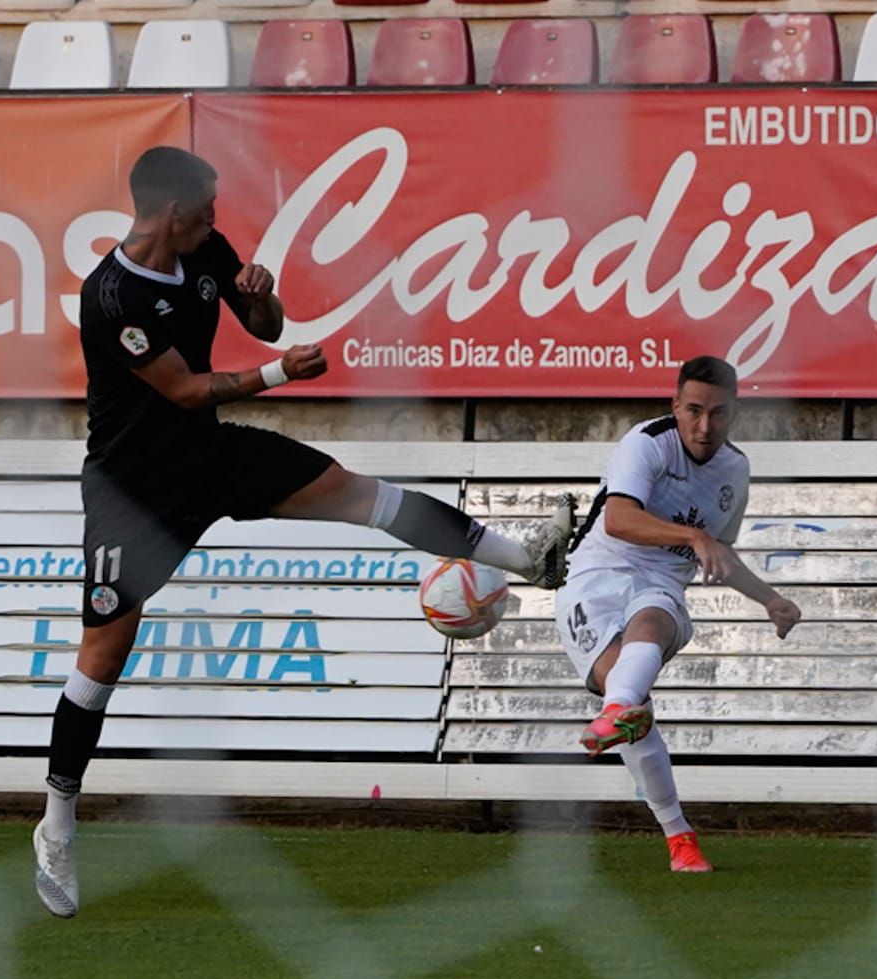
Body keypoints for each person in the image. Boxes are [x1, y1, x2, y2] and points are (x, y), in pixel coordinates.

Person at [34, 146, 573, 918]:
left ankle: (528, 559)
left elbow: (264, 322)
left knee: (360, 495)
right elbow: (185, 388)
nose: (220, 224)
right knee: (102, 658)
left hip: (212, 457)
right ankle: (56, 826)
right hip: (132, 490)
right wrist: (281, 372)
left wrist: (260, 299)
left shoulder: (206, 249)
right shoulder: (111, 294)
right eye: (209, 211)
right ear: (173, 213)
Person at [555, 356, 801, 873]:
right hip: (595, 575)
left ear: (735, 414)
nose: (704, 426)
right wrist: (692, 534)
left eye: (718, 414)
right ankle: (677, 834)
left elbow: (718, 558)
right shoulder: (647, 443)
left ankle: (616, 712)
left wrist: (769, 599)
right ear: (675, 405)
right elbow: (619, 520)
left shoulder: (735, 469)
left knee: (655, 620)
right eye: (693, 410)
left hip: (661, 582)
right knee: (630, 689)